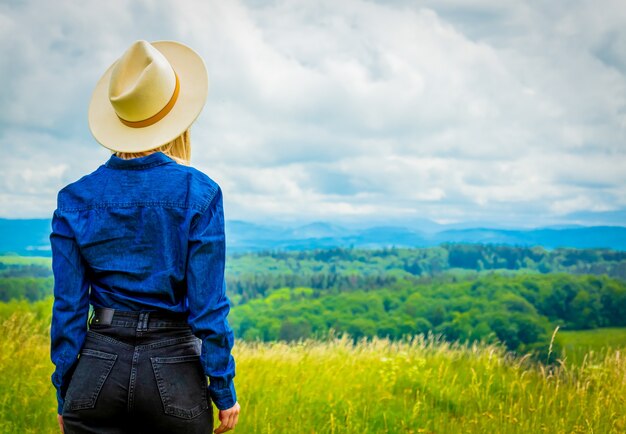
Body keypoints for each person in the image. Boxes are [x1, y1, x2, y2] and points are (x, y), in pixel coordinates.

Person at [49, 40, 240, 433]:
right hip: (176, 372)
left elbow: (68, 310)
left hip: (96, 370)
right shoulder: (199, 194)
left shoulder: (73, 200)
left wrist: (66, 391)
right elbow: (208, 309)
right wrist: (223, 389)